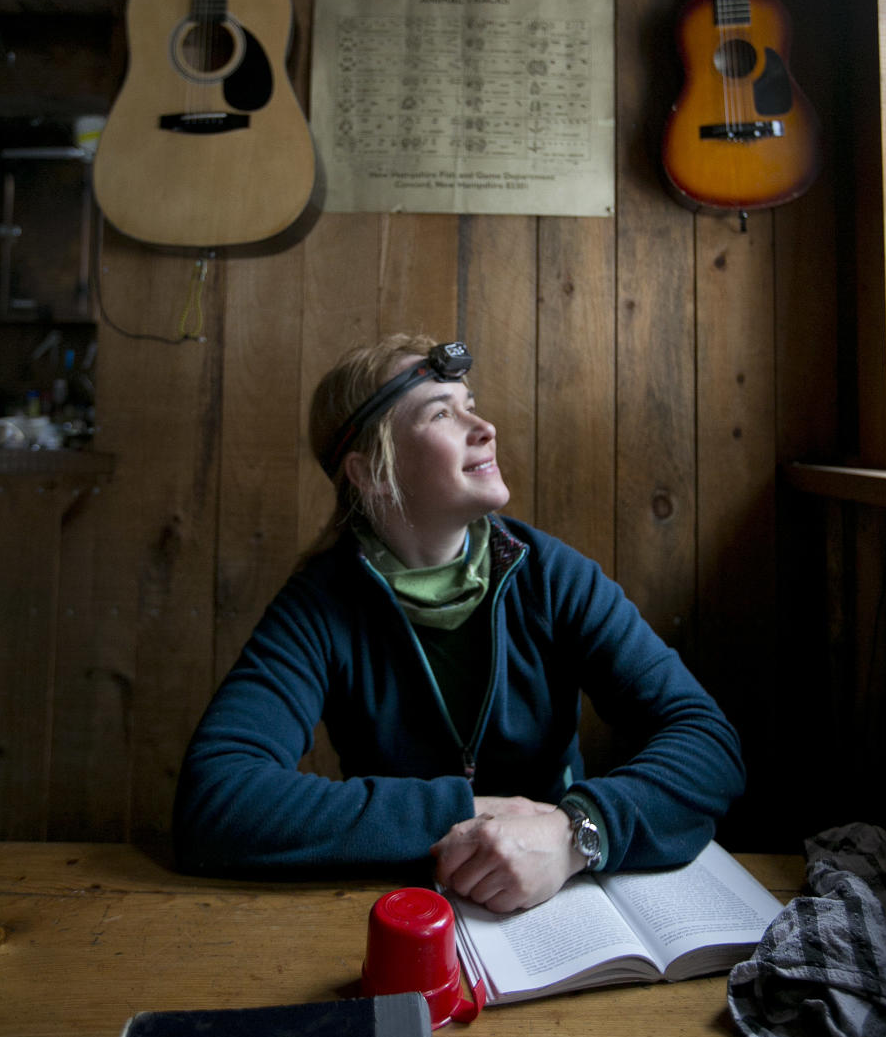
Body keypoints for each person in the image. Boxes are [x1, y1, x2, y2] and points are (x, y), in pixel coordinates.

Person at [173, 333, 745, 912]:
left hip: (560, 896)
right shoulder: (319, 606)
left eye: (470, 403)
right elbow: (218, 795)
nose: (484, 426)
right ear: (371, 471)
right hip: (404, 904)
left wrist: (574, 834)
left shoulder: (551, 576)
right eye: (442, 413)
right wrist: (468, 813)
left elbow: (706, 742)